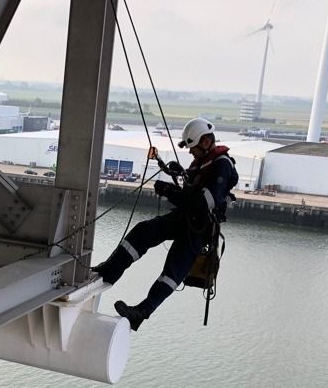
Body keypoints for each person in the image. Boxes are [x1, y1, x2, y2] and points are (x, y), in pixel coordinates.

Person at [92, 117, 238, 331]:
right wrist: (178, 175)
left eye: (193, 148)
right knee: (144, 231)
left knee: (173, 270)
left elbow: (202, 203)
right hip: (186, 218)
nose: (191, 153)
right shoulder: (204, 163)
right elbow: (191, 190)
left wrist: (171, 192)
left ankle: (141, 313)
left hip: (199, 227)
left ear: (206, 143)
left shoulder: (221, 166)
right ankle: (110, 271)